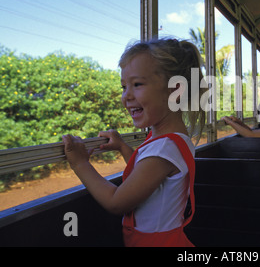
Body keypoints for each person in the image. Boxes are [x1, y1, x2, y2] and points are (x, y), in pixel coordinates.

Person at [62, 38, 206, 247]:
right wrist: (122, 146)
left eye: (137, 84)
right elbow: (146, 176)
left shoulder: (164, 148)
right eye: (123, 87)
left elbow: (115, 202)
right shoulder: (171, 140)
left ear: (175, 90)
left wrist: (80, 164)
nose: (126, 96)